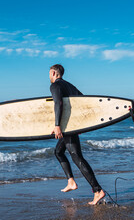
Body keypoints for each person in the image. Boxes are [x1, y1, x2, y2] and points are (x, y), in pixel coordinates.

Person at [49, 64, 105, 205]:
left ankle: (98, 191)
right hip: (73, 126)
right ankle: (71, 181)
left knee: (77, 157)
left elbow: (58, 104)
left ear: (54, 73)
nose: (49, 76)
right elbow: (83, 102)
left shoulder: (55, 86)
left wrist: (57, 125)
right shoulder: (71, 86)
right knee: (58, 151)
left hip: (68, 127)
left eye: (50, 73)